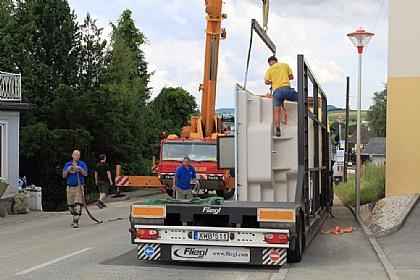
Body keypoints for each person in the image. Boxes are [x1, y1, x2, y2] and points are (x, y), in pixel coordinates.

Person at [264, 55, 298, 137]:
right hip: (287, 89)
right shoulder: (285, 65)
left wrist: (273, 82)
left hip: (277, 92)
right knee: (301, 100)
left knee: (277, 111)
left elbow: (266, 81)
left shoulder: (270, 69)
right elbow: (291, 77)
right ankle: (308, 115)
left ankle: (278, 129)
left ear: (271, 62)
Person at [62, 150, 88, 228]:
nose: (77, 157)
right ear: (72, 155)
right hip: (70, 187)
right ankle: (74, 216)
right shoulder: (68, 164)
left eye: (78, 155)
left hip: (78, 187)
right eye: (76, 155)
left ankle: (76, 220)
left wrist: (79, 168)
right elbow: (63, 175)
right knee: (70, 206)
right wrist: (68, 170)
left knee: (78, 203)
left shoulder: (82, 164)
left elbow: (85, 174)